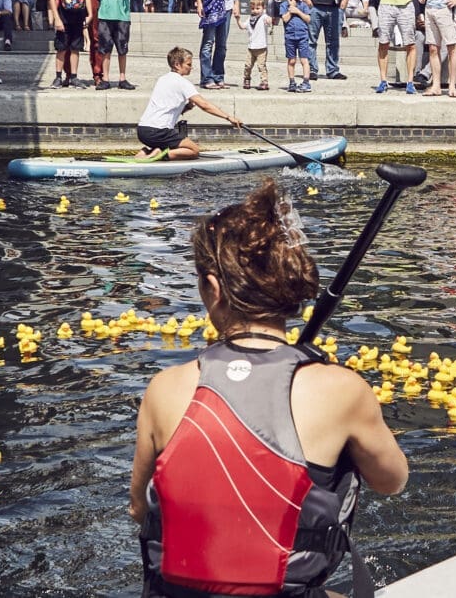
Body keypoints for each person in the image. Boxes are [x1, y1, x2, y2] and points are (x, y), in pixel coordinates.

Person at [130, 178, 408, 597]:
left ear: (213, 288)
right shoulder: (341, 390)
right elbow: (392, 481)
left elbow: (140, 509)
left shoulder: (164, 388)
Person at [134, 47, 242, 161]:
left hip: (142, 131)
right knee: (193, 151)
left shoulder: (162, 79)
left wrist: (187, 107)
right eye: (188, 64)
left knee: (175, 145)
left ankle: (147, 151)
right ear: (177, 64)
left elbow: (166, 108)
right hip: (158, 131)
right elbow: (204, 105)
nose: (191, 67)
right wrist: (229, 117)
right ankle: (159, 155)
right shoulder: (183, 83)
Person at [49, 0, 94, 88]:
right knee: (61, 47)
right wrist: (56, 17)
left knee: (75, 47)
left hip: (78, 17)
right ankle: (58, 76)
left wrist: (90, 14)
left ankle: (74, 76)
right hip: (63, 17)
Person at [281, 0, 314, 93]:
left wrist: (297, 11)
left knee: (304, 59)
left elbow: (308, 19)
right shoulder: (284, 5)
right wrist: (291, 10)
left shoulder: (303, 5)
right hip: (290, 36)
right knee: (291, 60)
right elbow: (284, 19)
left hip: (302, 36)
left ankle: (306, 82)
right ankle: (292, 82)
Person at [235, 0, 271, 90]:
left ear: (263, 8)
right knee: (247, 65)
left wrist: (269, 20)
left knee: (261, 66)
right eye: (253, 8)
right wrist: (238, 20)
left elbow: (269, 20)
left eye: (258, 8)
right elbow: (242, 27)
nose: (255, 10)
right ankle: (247, 79)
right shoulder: (250, 18)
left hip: (261, 47)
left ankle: (264, 82)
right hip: (251, 47)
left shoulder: (263, 17)